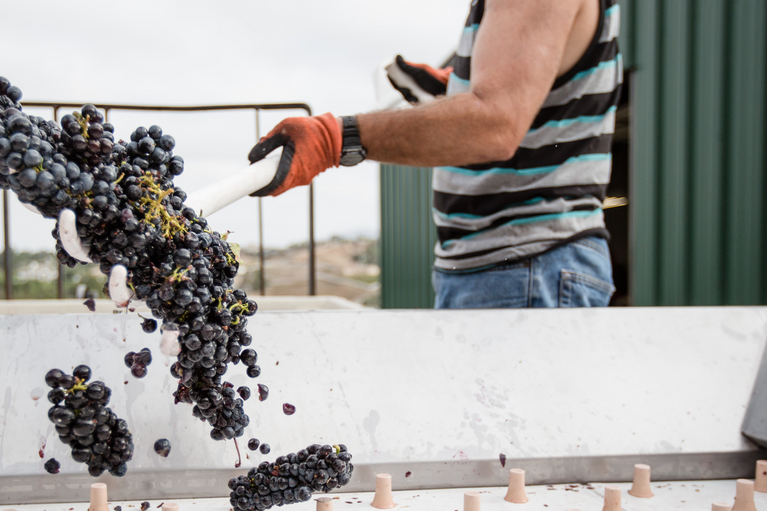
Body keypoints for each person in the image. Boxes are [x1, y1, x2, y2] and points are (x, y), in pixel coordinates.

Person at [248, 0, 622, 309]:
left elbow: (495, 123)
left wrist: (335, 138)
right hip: (512, 267)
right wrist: (458, 85)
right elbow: (532, 96)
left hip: (528, 264)